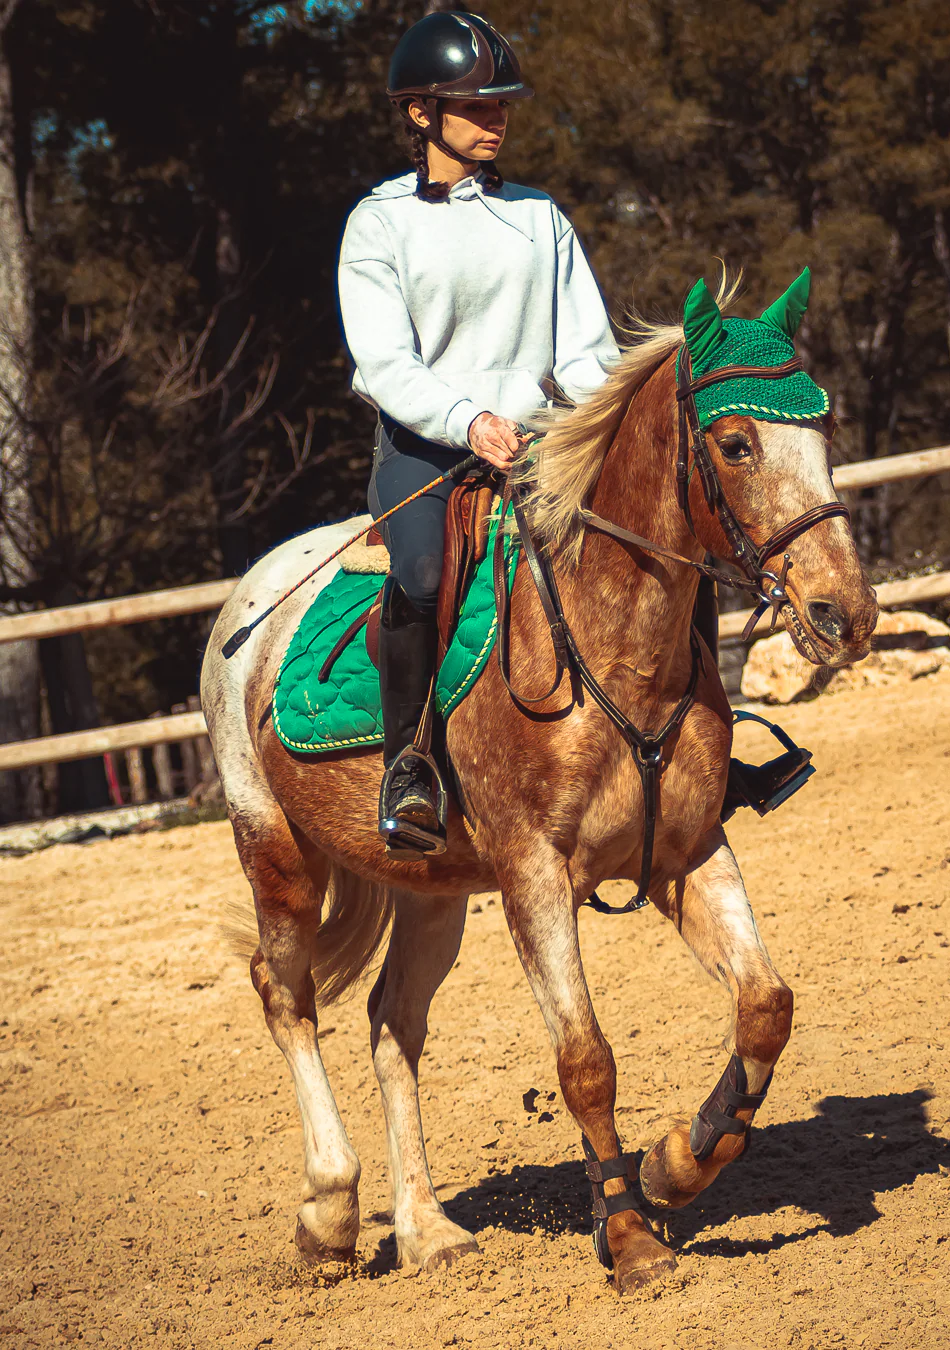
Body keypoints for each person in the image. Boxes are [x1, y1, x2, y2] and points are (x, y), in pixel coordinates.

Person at [337, 10, 618, 855]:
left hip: (540, 446)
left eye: (503, 104)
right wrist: (468, 420)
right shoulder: (378, 224)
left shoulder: (541, 218)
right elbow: (386, 364)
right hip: (425, 451)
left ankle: (703, 741)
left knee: (655, 531)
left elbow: (588, 351)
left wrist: (592, 424)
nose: (498, 118)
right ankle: (409, 765)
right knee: (421, 574)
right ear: (420, 112)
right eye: (478, 105)